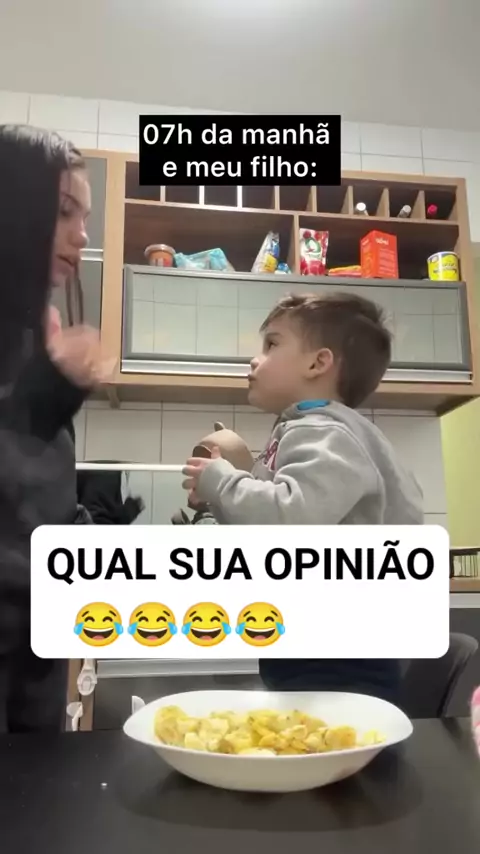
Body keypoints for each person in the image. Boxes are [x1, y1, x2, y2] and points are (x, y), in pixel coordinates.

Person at [182, 292, 424, 704]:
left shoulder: (324, 431)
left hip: (340, 651)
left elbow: (290, 516)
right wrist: (221, 496)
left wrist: (222, 483)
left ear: (318, 363)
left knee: (329, 737)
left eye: (271, 344)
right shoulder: (311, 430)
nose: (254, 360)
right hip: (328, 641)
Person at [0, 125, 109, 733]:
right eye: (65, 211)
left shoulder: (32, 329)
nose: (83, 234)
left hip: (33, 636)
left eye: (84, 217)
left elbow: (29, 483)